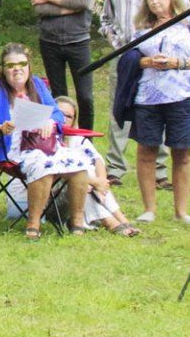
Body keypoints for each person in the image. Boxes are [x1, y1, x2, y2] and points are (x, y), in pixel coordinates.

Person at [98, 0, 190, 187]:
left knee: (157, 106)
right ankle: (115, 168)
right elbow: (106, 18)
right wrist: (120, 47)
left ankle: (160, 172)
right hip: (126, 54)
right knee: (121, 105)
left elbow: (183, 10)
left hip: (160, 55)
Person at [116, 0, 190, 228]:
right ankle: (149, 209)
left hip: (183, 94)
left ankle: (182, 211)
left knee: (182, 152)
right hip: (148, 96)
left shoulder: (188, 21)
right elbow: (129, 59)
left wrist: (175, 63)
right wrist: (146, 62)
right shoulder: (141, 27)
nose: (155, 1)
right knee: (146, 150)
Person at [0, 44, 86, 239]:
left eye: (22, 63)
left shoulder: (37, 84)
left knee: (79, 163)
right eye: (11, 65)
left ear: (28, 66)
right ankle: (33, 224)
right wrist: (1, 128)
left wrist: (50, 122)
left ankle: (76, 222)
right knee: (41, 164)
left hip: (45, 144)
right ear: (3, 69)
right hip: (13, 148)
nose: (17, 69)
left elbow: (57, 113)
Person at [31, 0, 100, 130]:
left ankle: (86, 140)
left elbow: (85, 1)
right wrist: (71, 7)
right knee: (58, 97)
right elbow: (39, 9)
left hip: (78, 41)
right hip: (49, 42)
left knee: (85, 97)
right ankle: (59, 136)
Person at [51, 97, 141, 235]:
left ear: (74, 120)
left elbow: (98, 160)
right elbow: (59, 170)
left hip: (84, 188)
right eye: (60, 113)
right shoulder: (46, 139)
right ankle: (111, 221)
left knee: (91, 174)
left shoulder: (77, 139)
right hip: (54, 195)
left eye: (69, 116)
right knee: (82, 183)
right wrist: (93, 182)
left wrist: (101, 182)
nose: (63, 118)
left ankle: (121, 220)